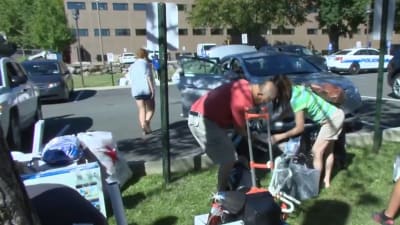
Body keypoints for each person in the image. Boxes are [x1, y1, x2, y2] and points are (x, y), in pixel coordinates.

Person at [188, 76, 289, 191]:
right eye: (265, 101)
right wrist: (256, 138)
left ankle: (234, 179)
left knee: (231, 154)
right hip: (203, 120)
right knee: (228, 158)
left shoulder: (245, 85)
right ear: (259, 94)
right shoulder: (242, 101)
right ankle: (222, 193)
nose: (264, 104)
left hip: (205, 116)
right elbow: (240, 128)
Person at [271, 75, 345, 188]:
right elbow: (288, 111)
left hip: (332, 120)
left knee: (316, 151)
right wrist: (272, 119)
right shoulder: (298, 89)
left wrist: (279, 137)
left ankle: (314, 186)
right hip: (335, 116)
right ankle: (326, 182)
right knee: (328, 151)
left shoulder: (296, 100)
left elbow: (299, 128)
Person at [128, 48, 155, 135]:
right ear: (145, 55)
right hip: (146, 89)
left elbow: (131, 79)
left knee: (141, 109)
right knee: (151, 109)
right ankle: (146, 123)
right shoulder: (145, 64)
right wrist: (152, 89)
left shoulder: (132, 66)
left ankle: (144, 128)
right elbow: (148, 77)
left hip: (136, 90)